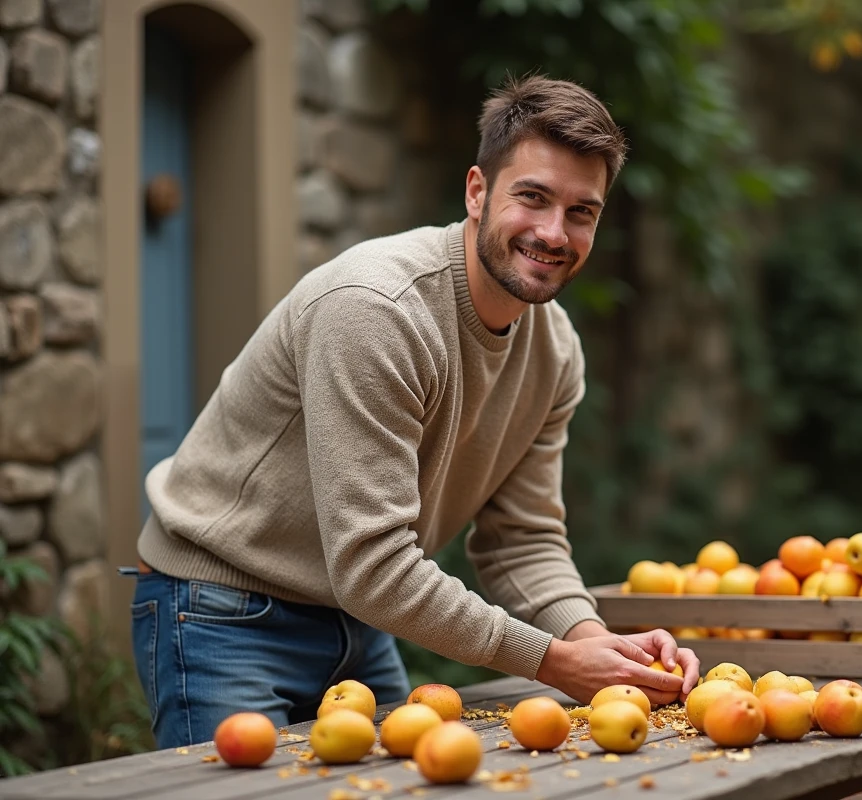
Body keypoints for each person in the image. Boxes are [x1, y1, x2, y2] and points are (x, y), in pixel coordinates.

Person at [128, 74, 700, 748]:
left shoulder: (556, 352)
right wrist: (552, 662)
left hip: (359, 615)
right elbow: (375, 564)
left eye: (582, 211)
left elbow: (522, 539)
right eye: (534, 197)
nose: (554, 232)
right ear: (477, 192)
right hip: (223, 610)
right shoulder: (376, 310)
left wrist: (595, 643)